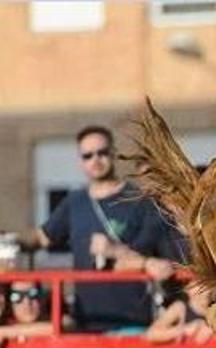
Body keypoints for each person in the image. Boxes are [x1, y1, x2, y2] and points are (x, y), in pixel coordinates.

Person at [16, 125, 183, 333]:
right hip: (85, 323)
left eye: (102, 153)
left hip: (134, 323)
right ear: (80, 162)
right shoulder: (74, 202)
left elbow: (167, 260)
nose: (95, 160)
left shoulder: (140, 200)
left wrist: (117, 251)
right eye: (87, 155)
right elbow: (40, 238)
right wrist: (12, 243)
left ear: (113, 154)